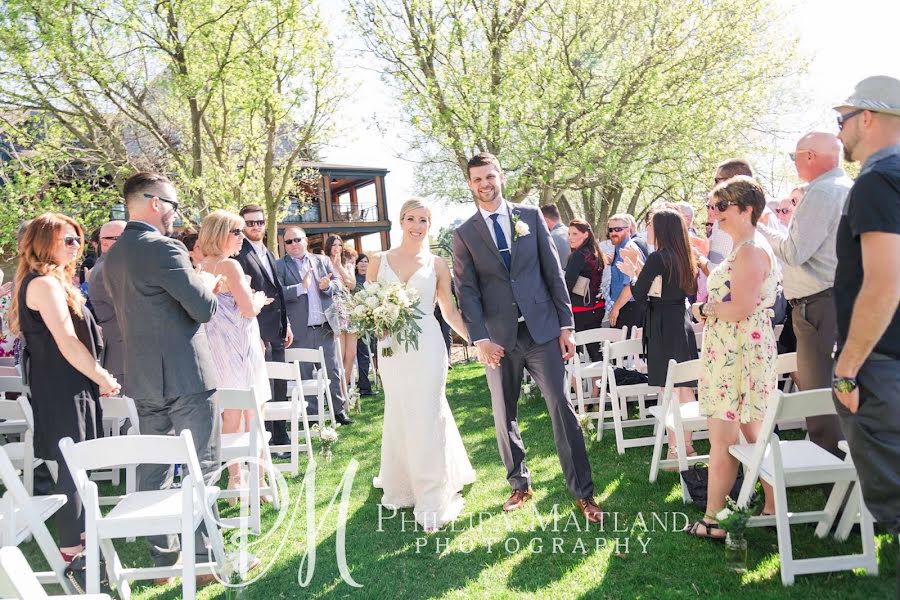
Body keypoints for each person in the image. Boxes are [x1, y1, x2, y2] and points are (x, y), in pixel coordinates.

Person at [452, 152, 603, 524]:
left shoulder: (530, 217)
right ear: (470, 185)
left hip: (542, 331)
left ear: (500, 176)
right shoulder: (464, 233)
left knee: (561, 409)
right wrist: (480, 339)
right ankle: (519, 484)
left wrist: (566, 326)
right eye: (477, 180)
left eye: (490, 176)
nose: (485, 184)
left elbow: (554, 273)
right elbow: (466, 292)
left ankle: (584, 493)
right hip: (499, 340)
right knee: (505, 414)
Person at [102, 172, 222, 580]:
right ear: (154, 203)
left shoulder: (113, 256)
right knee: (200, 466)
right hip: (187, 378)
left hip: (144, 378)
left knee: (152, 468)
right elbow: (202, 309)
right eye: (173, 205)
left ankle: (163, 561)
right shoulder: (165, 249)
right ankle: (205, 560)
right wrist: (205, 283)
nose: (174, 213)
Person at [7, 214, 118, 561]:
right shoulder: (42, 284)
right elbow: (67, 340)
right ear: (43, 244)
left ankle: (81, 538)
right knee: (72, 466)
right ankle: (72, 549)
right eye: (68, 240)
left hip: (68, 381)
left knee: (78, 464)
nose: (76, 246)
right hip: (61, 384)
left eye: (78, 240)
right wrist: (102, 375)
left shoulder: (51, 281)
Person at [370, 198, 475, 531]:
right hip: (391, 349)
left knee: (428, 412)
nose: (417, 226)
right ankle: (403, 483)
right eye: (411, 219)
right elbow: (370, 307)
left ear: (430, 225)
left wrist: (477, 340)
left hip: (428, 346)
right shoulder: (378, 261)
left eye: (424, 220)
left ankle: (432, 497)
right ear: (400, 221)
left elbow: (449, 310)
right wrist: (379, 323)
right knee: (401, 411)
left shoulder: (437, 264)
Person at [684, 176, 777, 540]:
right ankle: (770, 506)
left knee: (724, 437)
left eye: (722, 206)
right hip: (735, 351)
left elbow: (740, 307)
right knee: (753, 433)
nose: (714, 213)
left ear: (746, 209)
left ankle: (714, 521)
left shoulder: (753, 250)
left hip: (738, 355)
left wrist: (704, 307)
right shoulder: (744, 248)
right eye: (712, 206)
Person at [831, 75, 900, 542]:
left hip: (882, 364)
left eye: (843, 120)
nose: (839, 132)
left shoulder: (876, 180)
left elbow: (884, 283)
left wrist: (847, 369)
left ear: (868, 118)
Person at [758, 132, 852, 457]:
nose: (794, 163)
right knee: (843, 389)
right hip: (838, 301)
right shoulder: (848, 188)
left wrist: (759, 225)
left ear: (809, 156)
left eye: (793, 156)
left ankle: (832, 477)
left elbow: (794, 251)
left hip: (819, 306)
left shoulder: (822, 191)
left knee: (819, 393)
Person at [197, 210, 272, 501]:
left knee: (230, 414)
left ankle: (235, 481)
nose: (243, 238)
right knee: (256, 412)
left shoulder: (202, 265)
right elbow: (247, 309)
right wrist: (258, 299)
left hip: (218, 348)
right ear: (221, 235)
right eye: (237, 232)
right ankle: (261, 481)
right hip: (241, 345)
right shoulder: (230, 266)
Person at [618, 208, 700, 464]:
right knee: (684, 386)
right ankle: (689, 446)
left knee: (669, 388)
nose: (648, 230)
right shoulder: (685, 256)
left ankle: (676, 449)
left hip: (662, 324)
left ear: (662, 229)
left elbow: (640, 293)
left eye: (651, 225)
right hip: (680, 321)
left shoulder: (658, 258)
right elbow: (683, 291)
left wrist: (633, 274)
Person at [275, 226, 352, 425]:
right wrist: (301, 288)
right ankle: (311, 415)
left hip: (325, 326)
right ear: (284, 245)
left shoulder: (322, 261)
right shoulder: (280, 266)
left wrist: (328, 286)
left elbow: (339, 285)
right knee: (304, 374)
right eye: (289, 242)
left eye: (297, 240)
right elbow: (278, 294)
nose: (293, 244)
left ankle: (339, 410)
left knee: (333, 371)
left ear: (306, 241)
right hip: (300, 330)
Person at [235, 205, 293, 454]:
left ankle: (281, 436)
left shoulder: (267, 251)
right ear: (242, 225)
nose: (256, 226)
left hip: (277, 328)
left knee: (279, 384)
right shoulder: (239, 254)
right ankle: (267, 441)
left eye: (259, 222)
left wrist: (286, 323)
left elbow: (277, 290)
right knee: (263, 389)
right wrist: (254, 335)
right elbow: (242, 297)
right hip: (256, 331)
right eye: (250, 223)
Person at [86, 220, 127, 391]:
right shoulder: (106, 270)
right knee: (128, 415)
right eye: (124, 238)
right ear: (105, 243)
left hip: (128, 354)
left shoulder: (115, 267)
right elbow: (133, 307)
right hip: (122, 355)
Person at [564, 219, 605, 361]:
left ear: (586, 234)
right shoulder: (596, 253)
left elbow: (567, 285)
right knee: (595, 351)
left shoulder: (578, 256)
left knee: (570, 352)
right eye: (569, 233)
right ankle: (599, 383)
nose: (570, 237)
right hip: (597, 307)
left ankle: (574, 383)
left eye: (575, 233)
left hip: (579, 310)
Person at [606, 213, 646, 334]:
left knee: (624, 350)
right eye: (611, 230)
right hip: (626, 307)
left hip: (630, 308)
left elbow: (630, 286)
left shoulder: (627, 249)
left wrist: (616, 308)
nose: (613, 233)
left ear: (628, 229)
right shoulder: (619, 248)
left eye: (618, 229)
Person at [354, 254, 375, 396]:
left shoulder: (372, 280)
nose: (363, 264)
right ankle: (364, 387)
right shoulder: (354, 281)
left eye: (366, 262)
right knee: (363, 355)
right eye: (361, 261)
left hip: (373, 321)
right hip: (359, 322)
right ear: (356, 264)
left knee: (372, 353)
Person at [338, 246, 359, 391]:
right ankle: (339, 390)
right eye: (353, 260)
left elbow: (351, 284)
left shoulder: (349, 268)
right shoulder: (331, 265)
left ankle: (344, 389)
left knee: (350, 354)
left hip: (349, 310)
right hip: (337, 310)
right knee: (341, 355)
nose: (355, 264)